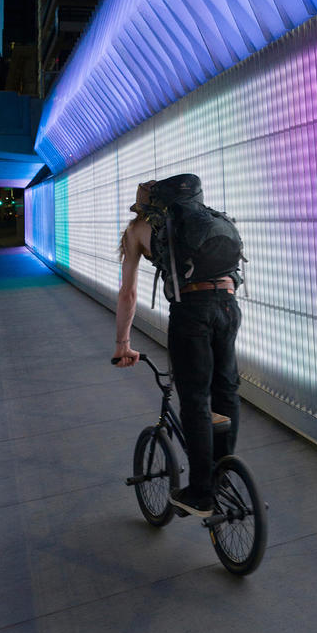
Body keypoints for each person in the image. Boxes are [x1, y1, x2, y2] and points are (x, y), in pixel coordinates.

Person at [115, 179, 242, 517]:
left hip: (192, 312)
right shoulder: (200, 221)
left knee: (196, 400)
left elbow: (128, 293)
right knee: (226, 389)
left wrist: (122, 343)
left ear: (143, 205)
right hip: (229, 305)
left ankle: (201, 492)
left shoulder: (140, 229)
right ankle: (224, 474)